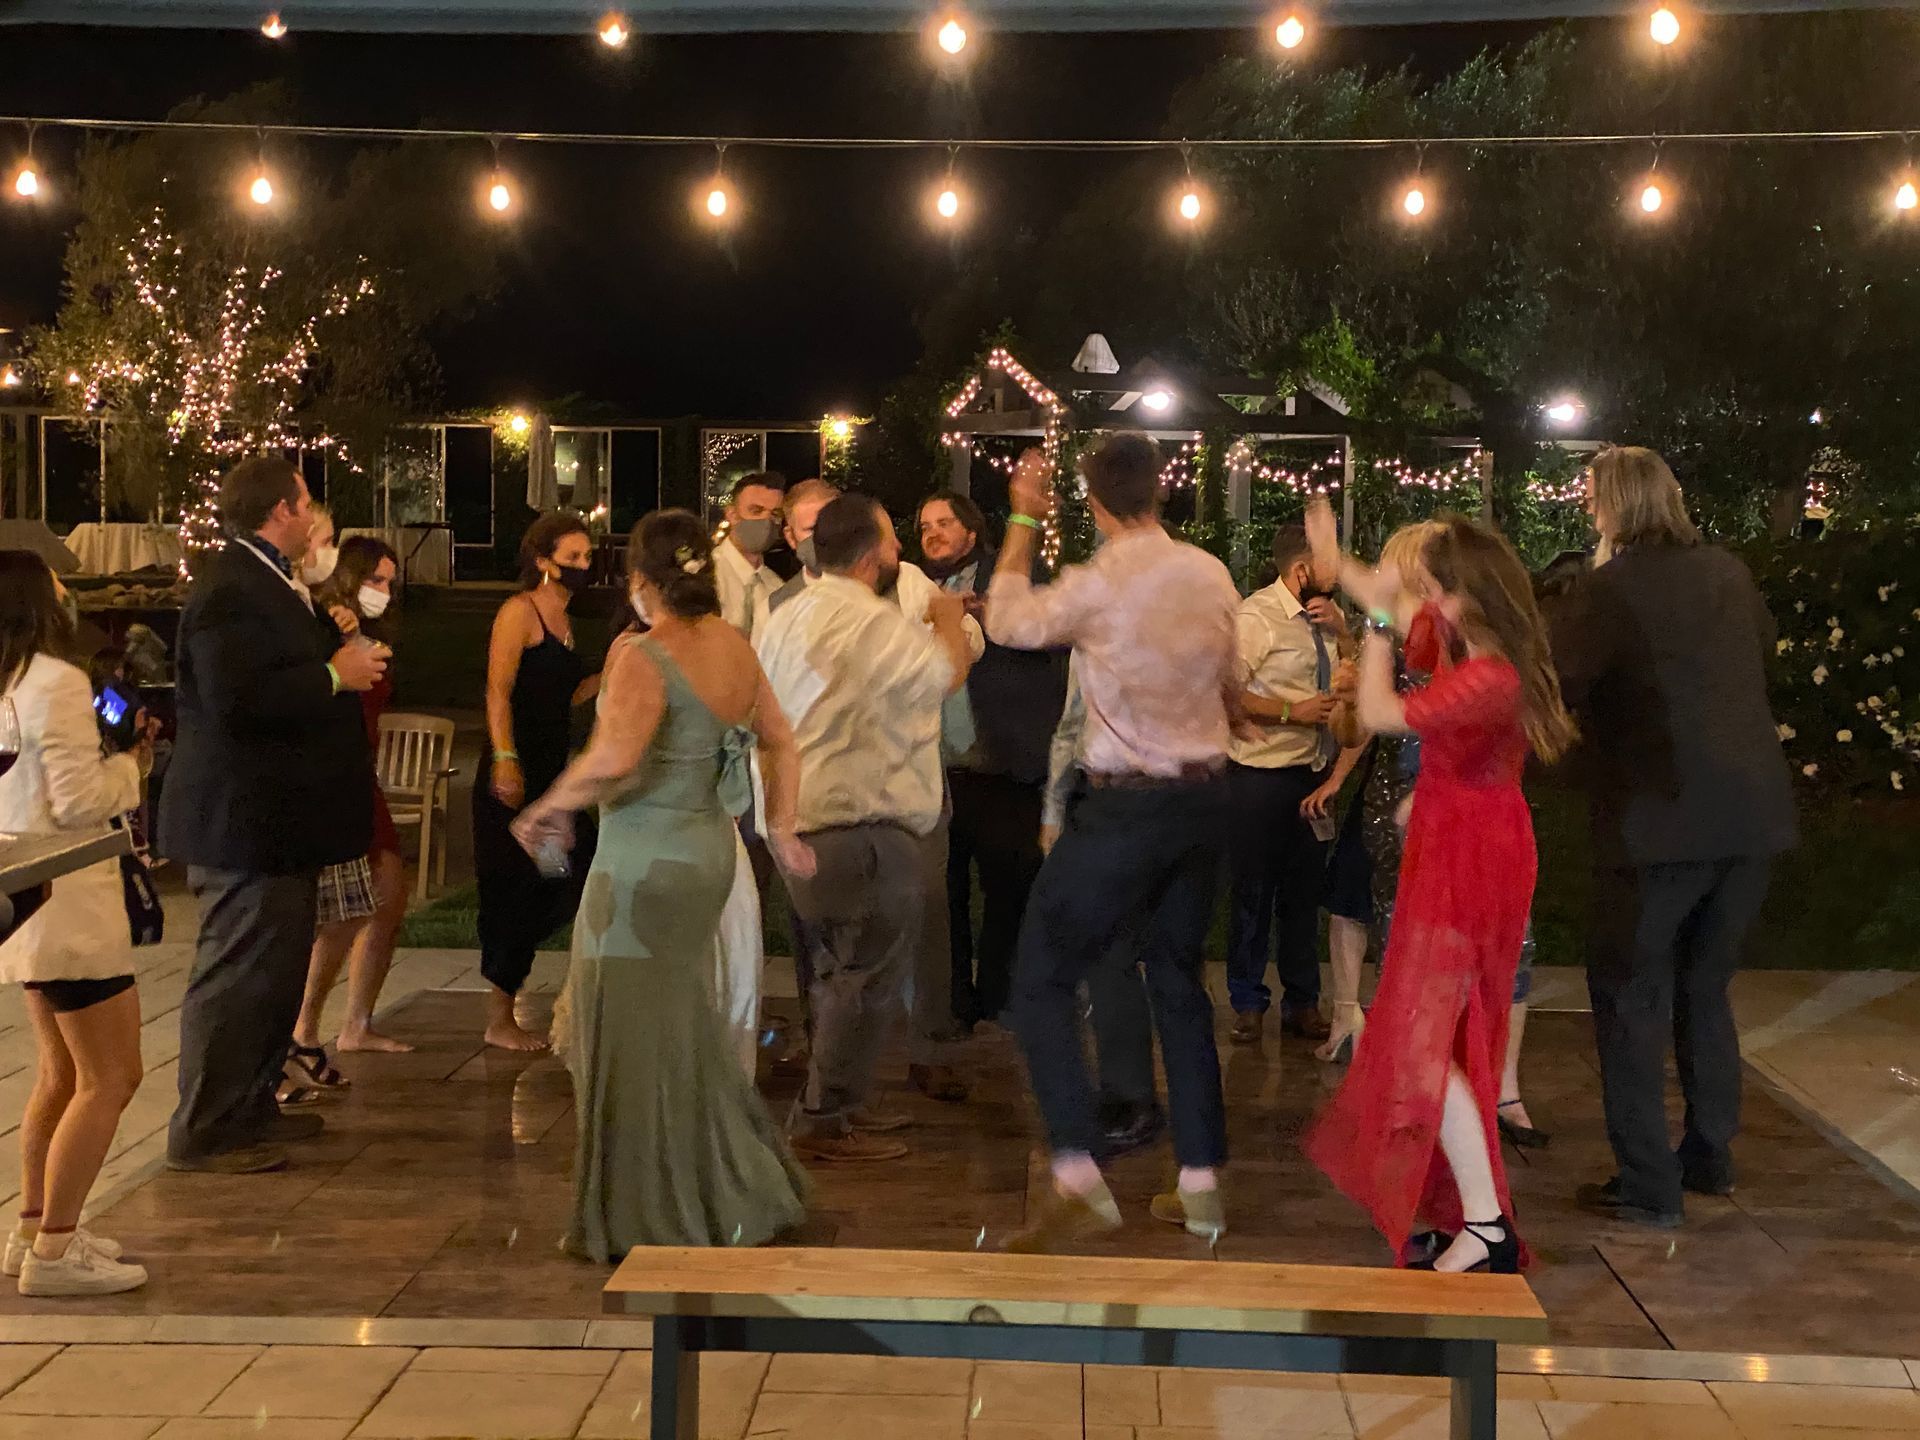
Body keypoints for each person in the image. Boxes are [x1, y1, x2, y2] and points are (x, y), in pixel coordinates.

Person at [512, 510, 813, 1257]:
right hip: (709, 851)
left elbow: (615, 758)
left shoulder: (643, 655)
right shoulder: (734, 646)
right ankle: (722, 1184)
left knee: (633, 1036)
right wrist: (784, 825)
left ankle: (652, 1209)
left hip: (645, 865)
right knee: (680, 1027)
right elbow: (780, 740)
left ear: (642, 582)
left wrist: (546, 805)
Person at [1302, 502, 1576, 1274]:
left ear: (1472, 597)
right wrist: (1343, 565)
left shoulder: (1491, 675)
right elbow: (1389, 598)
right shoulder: (1473, 648)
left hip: (1473, 857)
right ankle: (1475, 1215)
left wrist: (1379, 628)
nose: (1427, 606)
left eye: (1437, 592)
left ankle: (1486, 1225)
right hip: (1459, 841)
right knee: (1432, 1035)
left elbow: (1383, 711)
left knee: (1424, 1039)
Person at [985, 434, 1241, 1253]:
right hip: (1206, 798)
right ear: (1159, 492)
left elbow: (1007, 622)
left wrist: (1023, 516)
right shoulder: (1210, 573)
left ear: (1093, 501)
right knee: (1177, 980)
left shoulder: (1098, 584)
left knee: (1041, 978)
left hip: (1127, 805)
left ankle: (1076, 1174)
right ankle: (1201, 1184)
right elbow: (1231, 684)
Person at [1553, 446, 1795, 1227]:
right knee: (1706, 986)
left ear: (1616, 506)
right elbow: (1759, 657)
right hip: (1748, 817)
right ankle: (1711, 1154)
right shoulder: (1729, 574)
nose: (1589, 510)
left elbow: (1559, 684)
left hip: (1655, 821)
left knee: (1630, 997)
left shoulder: (1607, 590)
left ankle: (1648, 1182)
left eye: (1594, 499)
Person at [159, 455, 385, 1174]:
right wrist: (330, 674)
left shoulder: (277, 583)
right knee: (238, 976)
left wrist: (329, 627)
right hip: (245, 822)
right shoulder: (230, 585)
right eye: (308, 501)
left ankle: (252, 1105)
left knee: (274, 975)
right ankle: (207, 1126)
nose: (316, 517)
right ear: (281, 511)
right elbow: (237, 695)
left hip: (283, 823)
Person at [757, 495, 975, 1163]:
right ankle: (823, 1120)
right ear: (870, 553)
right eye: (892, 538)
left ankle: (838, 1104)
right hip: (861, 822)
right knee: (864, 978)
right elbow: (944, 674)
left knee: (835, 973)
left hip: (802, 815)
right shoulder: (865, 619)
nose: (902, 549)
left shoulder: (787, 617)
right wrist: (945, 618)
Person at [0, 552, 152, 1295]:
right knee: (112, 1076)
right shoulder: (56, 682)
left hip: (24, 903)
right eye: (59, 586)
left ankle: (34, 1225)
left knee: (59, 1076)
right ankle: (55, 1252)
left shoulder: (9, 685)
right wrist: (133, 768)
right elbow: (77, 799)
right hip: (71, 911)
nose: (70, 594)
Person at [918, 490, 1069, 1037]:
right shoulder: (914, 591)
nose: (932, 533)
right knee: (943, 895)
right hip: (935, 769)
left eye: (943, 523)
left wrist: (1000, 619)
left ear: (972, 531)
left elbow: (1053, 640)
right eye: (924, 526)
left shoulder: (1016, 578)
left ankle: (1003, 999)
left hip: (1002, 762)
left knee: (1010, 891)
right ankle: (953, 1003)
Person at [474, 511, 599, 1052]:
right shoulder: (519, 612)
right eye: (572, 558)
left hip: (553, 775)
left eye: (588, 557)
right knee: (510, 885)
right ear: (544, 561)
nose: (583, 566)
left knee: (566, 870)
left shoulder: (571, 623)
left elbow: (568, 693)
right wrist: (505, 758)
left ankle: (523, 973)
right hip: (515, 773)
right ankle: (499, 1014)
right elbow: (498, 691)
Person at [1224, 525, 1352, 1047]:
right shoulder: (1256, 618)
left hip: (1314, 774)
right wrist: (1287, 710)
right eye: (1328, 567)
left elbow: (1354, 677)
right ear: (1301, 570)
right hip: (1259, 776)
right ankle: (1248, 1001)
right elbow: (1226, 691)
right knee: (1253, 893)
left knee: (1303, 897)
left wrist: (1344, 633)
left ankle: (1302, 1001)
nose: (1338, 576)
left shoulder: (1327, 619)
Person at [290, 536, 414, 1062]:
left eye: (390, 582)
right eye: (375, 580)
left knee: (388, 897)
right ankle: (303, 1027)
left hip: (362, 774)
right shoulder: (326, 624)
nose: (384, 591)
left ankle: (356, 1022)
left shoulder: (367, 632)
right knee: (342, 912)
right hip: (334, 779)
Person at [1042, 656, 1162, 1157]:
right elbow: (1072, 725)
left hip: (1150, 802)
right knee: (1110, 954)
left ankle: (1132, 1098)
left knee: (1119, 956)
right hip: (1103, 802)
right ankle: (1129, 1095)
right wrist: (1054, 808)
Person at [713, 472, 787, 642]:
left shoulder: (775, 586)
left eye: (775, 514)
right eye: (756, 510)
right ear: (732, 515)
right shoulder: (708, 576)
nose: (766, 520)